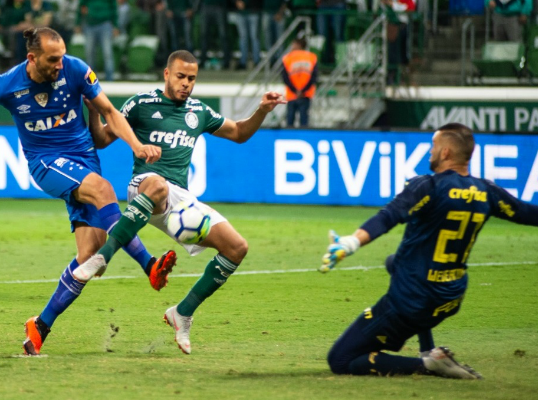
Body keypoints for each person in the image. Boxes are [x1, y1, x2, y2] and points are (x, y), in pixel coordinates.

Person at [0, 27, 176, 356]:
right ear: (32, 58)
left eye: (62, 56)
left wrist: (136, 145)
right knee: (104, 189)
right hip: (47, 163)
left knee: (91, 258)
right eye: (52, 59)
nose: (60, 64)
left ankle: (40, 325)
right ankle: (149, 266)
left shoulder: (76, 69)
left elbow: (110, 112)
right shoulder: (10, 84)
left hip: (85, 160)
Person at [76, 50, 286, 354]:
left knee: (237, 247)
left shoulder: (199, 111)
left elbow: (239, 133)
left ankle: (183, 312)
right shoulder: (141, 103)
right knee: (158, 184)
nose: (186, 83)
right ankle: (102, 256)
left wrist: (262, 111)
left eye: (192, 79)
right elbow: (101, 140)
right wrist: (94, 110)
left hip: (181, 198)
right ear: (166, 74)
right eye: (181, 77)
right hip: (144, 187)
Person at [321, 123, 538, 379]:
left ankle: (428, 365)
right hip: (450, 299)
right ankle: (428, 350)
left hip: (410, 303)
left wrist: (350, 242)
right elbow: (527, 213)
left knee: (341, 360)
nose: (429, 152)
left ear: (445, 152)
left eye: (433, 146)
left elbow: (388, 216)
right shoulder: (486, 191)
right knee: (393, 262)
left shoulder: (427, 187)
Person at [281, 37, 317, 128]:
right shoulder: (312, 57)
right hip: (305, 94)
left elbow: (285, 77)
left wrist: (295, 90)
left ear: (299, 45)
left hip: (292, 94)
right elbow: (314, 77)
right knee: (304, 121)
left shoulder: (287, 58)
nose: (292, 46)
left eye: (293, 44)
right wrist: (303, 91)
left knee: (290, 121)